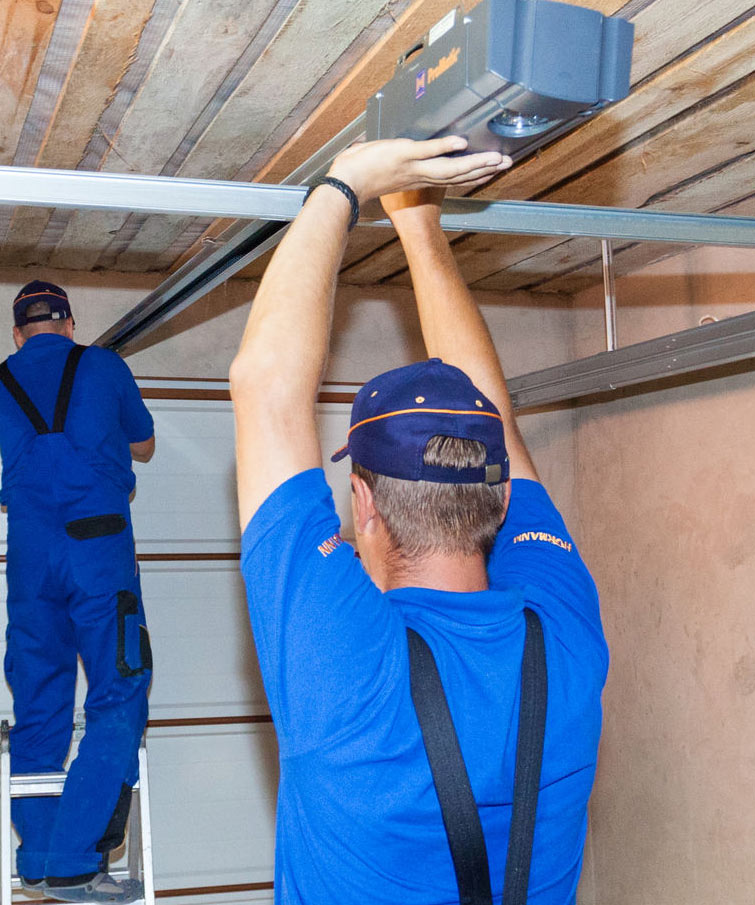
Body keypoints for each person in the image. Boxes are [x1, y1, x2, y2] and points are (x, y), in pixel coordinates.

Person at [228, 137, 608, 904]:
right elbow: (265, 390)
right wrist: (411, 221)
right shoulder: (562, 627)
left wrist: (355, 180)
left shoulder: (347, 664)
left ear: (362, 504)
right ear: (501, 500)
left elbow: (268, 386)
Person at [0, 280, 157, 904]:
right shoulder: (105, 366)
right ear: (70, 323)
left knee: (39, 701)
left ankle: (38, 857)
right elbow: (145, 443)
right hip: (97, 552)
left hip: (30, 559)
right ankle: (77, 860)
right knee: (118, 691)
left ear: (18, 332)